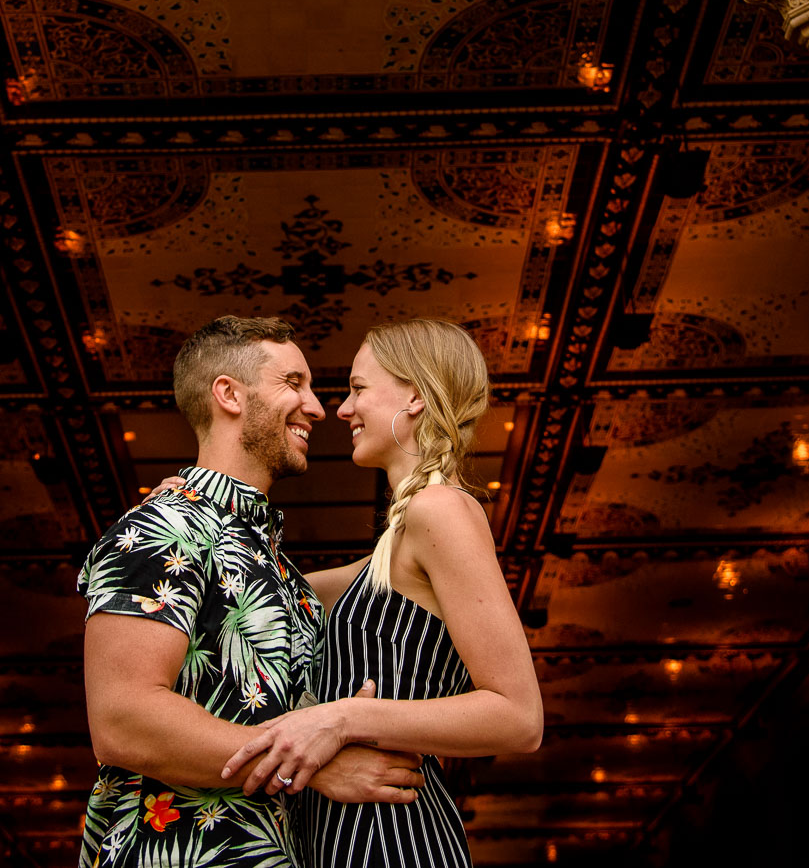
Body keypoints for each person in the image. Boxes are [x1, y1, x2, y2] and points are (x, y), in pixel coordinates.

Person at [152, 318, 543, 866]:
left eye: (358, 389)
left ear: (414, 396)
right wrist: (192, 518)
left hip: (392, 833)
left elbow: (519, 716)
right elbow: (261, 587)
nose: (339, 409)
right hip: (342, 830)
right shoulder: (398, 540)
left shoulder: (441, 511)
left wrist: (339, 719)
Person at [76, 315, 427, 868]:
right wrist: (311, 765)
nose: (316, 407)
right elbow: (123, 718)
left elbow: (395, 572)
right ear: (229, 395)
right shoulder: (163, 527)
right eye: (294, 383)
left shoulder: (282, 575)